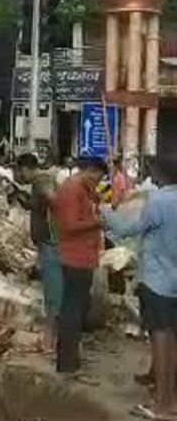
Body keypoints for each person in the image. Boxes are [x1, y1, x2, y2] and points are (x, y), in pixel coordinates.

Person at [102, 157, 177, 420]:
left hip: (159, 282)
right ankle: (167, 396)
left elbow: (126, 229)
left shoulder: (160, 202)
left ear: (160, 173)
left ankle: (163, 406)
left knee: (161, 341)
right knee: (172, 342)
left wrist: (105, 211)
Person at [53, 156, 108, 375]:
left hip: (83, 257)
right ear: (90, 171)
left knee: (76, 309)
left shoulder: (81, 189)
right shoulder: (72, 189)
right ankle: (67, 363)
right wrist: (97, 223)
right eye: (98, 177)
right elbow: (69, 225)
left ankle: (71, 359)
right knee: (72, 311)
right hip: (75, 258)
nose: (98, 182)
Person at [15, 153, 61, 351]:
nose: (19, 176)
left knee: (53, 294)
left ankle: (51, 342)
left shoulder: (42, 181)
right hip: (47, 244)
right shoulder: (39, 184)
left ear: (26, 168)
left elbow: (53, 201)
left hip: (51, 245)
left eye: (19, 171)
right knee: (51, 293)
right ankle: (52, 340)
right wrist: (24, 200)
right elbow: (40, 206)